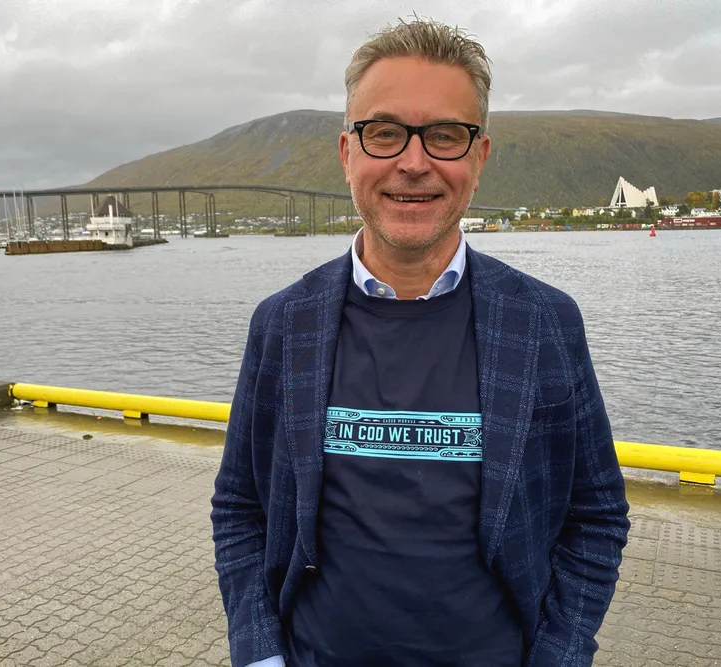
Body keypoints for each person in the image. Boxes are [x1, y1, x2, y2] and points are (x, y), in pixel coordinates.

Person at [211, 17, 629, 667]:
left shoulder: (545, 322)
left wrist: (560, 654)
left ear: (479, 157)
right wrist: (260, 654)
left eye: (444, 135)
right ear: (347, 153)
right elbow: (241, 507)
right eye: (384, 133)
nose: (413, 163)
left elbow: (596, 514)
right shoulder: (282, 324)